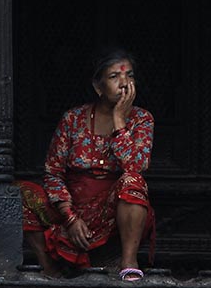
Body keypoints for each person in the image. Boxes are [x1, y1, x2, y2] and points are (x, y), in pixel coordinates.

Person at [17, 47, 155, 281]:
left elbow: (136, 166)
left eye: (129, 76)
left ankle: (129, 262)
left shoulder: (142, 119)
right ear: (98, 87)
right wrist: (70, 217)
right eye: (114, 77)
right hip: (70, 206)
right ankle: (49, 268)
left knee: (133, 181)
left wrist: (119, 121)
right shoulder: (73, 119)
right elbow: (53, 173)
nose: (124, 83)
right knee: (18, 192)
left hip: (111, 210)